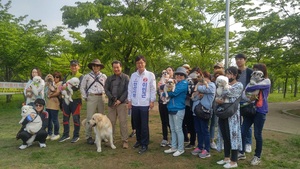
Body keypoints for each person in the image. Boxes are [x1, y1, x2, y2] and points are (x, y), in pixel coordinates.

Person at [238, 63, 271, 165]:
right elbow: (246, 90)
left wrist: (252, 85)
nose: (254, 73)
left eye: (256, 70)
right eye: (254, 70)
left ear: (262, 71)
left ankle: (257, 156)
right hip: (250, 110)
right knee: (243, 131)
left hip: (260, 111)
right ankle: (241, 152)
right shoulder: (251, 82)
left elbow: (252, 88)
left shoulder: (266, 81)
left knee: (257, 134)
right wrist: (250, 90)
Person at [127, 55, 156, 154]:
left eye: (141, 62)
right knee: (136, 124)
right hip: (135, 103)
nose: (140, 64)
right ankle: (138, 140)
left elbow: (153, 89)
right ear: (136, 64)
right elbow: (130, 88)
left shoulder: (150, 75)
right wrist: (129, 100)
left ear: (145, 63)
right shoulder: (133, 75)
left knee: (144, 125)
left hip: (144, 104)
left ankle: (144, 144)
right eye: (138, 63)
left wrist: (152, 101)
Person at [216, 66, 243, 168]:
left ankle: (234, 160)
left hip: (232, 114)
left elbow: (227, 93)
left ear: (235, 75)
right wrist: (218, 99)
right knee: (225, 135)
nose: (227, 76)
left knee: (233, 136)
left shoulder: (239, 85)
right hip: (222, 112)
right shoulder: (225, 84)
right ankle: (226, 157)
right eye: (226, 74)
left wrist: (221, 91)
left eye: (229, 74)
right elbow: (217, 94)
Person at [80, 59, 107, 145]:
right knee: (89, 117)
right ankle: (88, 136)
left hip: (101, 97)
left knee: (101, 118)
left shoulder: (103, 76)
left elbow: (106, 87)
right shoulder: (87, 76)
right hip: (91, 97)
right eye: (94, 65)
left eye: (97, 66)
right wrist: (85, 97)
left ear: (100, 67)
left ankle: (101, 135)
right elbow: (82, 87)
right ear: (92, 67)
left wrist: (105, 96)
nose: (96, 67)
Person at [163, 67, 188, 157]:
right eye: (177, 74)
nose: (179, 76)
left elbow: (174, 93)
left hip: (179, 109)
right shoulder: (175, 83)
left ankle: (180, 149)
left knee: (178, 129)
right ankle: (173, 147)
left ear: (184, 76)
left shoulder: (184, 83)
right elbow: (164, 92)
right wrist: (164, 91)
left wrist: (165, 91)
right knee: (173, 129)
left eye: (181, 75)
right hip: (170, 108)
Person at [104, 60, 130, 149]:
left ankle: (125, 141)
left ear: (121, 67)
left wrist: (120, 100)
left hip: (122, 103)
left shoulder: (126, 77)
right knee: (111, 122)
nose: (116, 69)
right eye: (114, 67)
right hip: (112, 103)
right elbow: (106, 89)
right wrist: (112, 98)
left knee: (123, 122)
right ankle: (111, 140)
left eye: (117, 67)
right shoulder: (109, 78)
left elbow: (127, 90)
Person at [191, 71, 216, 158]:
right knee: (198, 130)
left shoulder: (212, 85)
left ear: (207, 77)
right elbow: (193, 98)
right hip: (196, 111)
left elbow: (207, 90)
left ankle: (207, 149)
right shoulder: (202, 86)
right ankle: (200, 146)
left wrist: (198, 86)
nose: (201, 79)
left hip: (204, 111)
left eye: (202, 77)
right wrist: (198, 94)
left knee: (205, 130)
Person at [59, 60, 83, 143]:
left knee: (76, 118)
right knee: (65, 117)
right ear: (70, 67)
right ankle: (66, 135)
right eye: (72, 66)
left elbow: (77, 87)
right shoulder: (67, 75)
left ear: (78, 67)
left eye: (75, 65)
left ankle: (76, 135)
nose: (73, 67)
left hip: (76, 99)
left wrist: (66, 87)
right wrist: (63, 87)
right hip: (66, 98)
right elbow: (62, 86)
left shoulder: (81, 76)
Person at [235, 53, 253, 153]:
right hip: (236, 101)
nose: (238, 61)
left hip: (247, 101)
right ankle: (239, 142)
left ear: (245, 60)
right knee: (237, 123)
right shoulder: (235, 72)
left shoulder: (250, 71)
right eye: (237, 59)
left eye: (240, 59)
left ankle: (248, 143)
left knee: (247, 123)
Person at [157, 66, 174, 147]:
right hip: (161, 103)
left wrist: (162, 87)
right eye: (165, 71)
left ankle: (172, 138)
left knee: (171, 122)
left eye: (169, 71)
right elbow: (158, 90)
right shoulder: (161, 81)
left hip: (170, 103)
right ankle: (164, 138)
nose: (167, 72)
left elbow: (169, 88)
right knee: (163, 121)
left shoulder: (174, 81)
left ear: (172, 72)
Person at [210, 63, 225, 150]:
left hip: (223, 106)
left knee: (221, 124)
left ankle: (221, 141)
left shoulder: (226, 80)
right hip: (212, 106)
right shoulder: (212, 80)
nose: (217, 69)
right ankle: (211, 141)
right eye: (215, 68)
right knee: (213, 124)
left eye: (219, 68)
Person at [45, 71, 63, 141]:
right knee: (48, 120)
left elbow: (56, 91)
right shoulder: (50, 83)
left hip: (55, 104)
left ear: (59, 78)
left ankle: (56, 133)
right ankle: (49, 133)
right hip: (48, 104)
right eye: (54, 76)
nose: (55, 78)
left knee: (55, 120)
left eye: (57, 77)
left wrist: (50, 95)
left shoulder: (60, 84)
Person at [183, 71, 198, 149]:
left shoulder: (192, 83)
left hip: (191, 106)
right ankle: (188, 139)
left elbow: (191, 94)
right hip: (186, 105)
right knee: (188, 124)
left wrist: (188, 95)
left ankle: (192, 142)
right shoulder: (187, 81)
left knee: (191, 125)